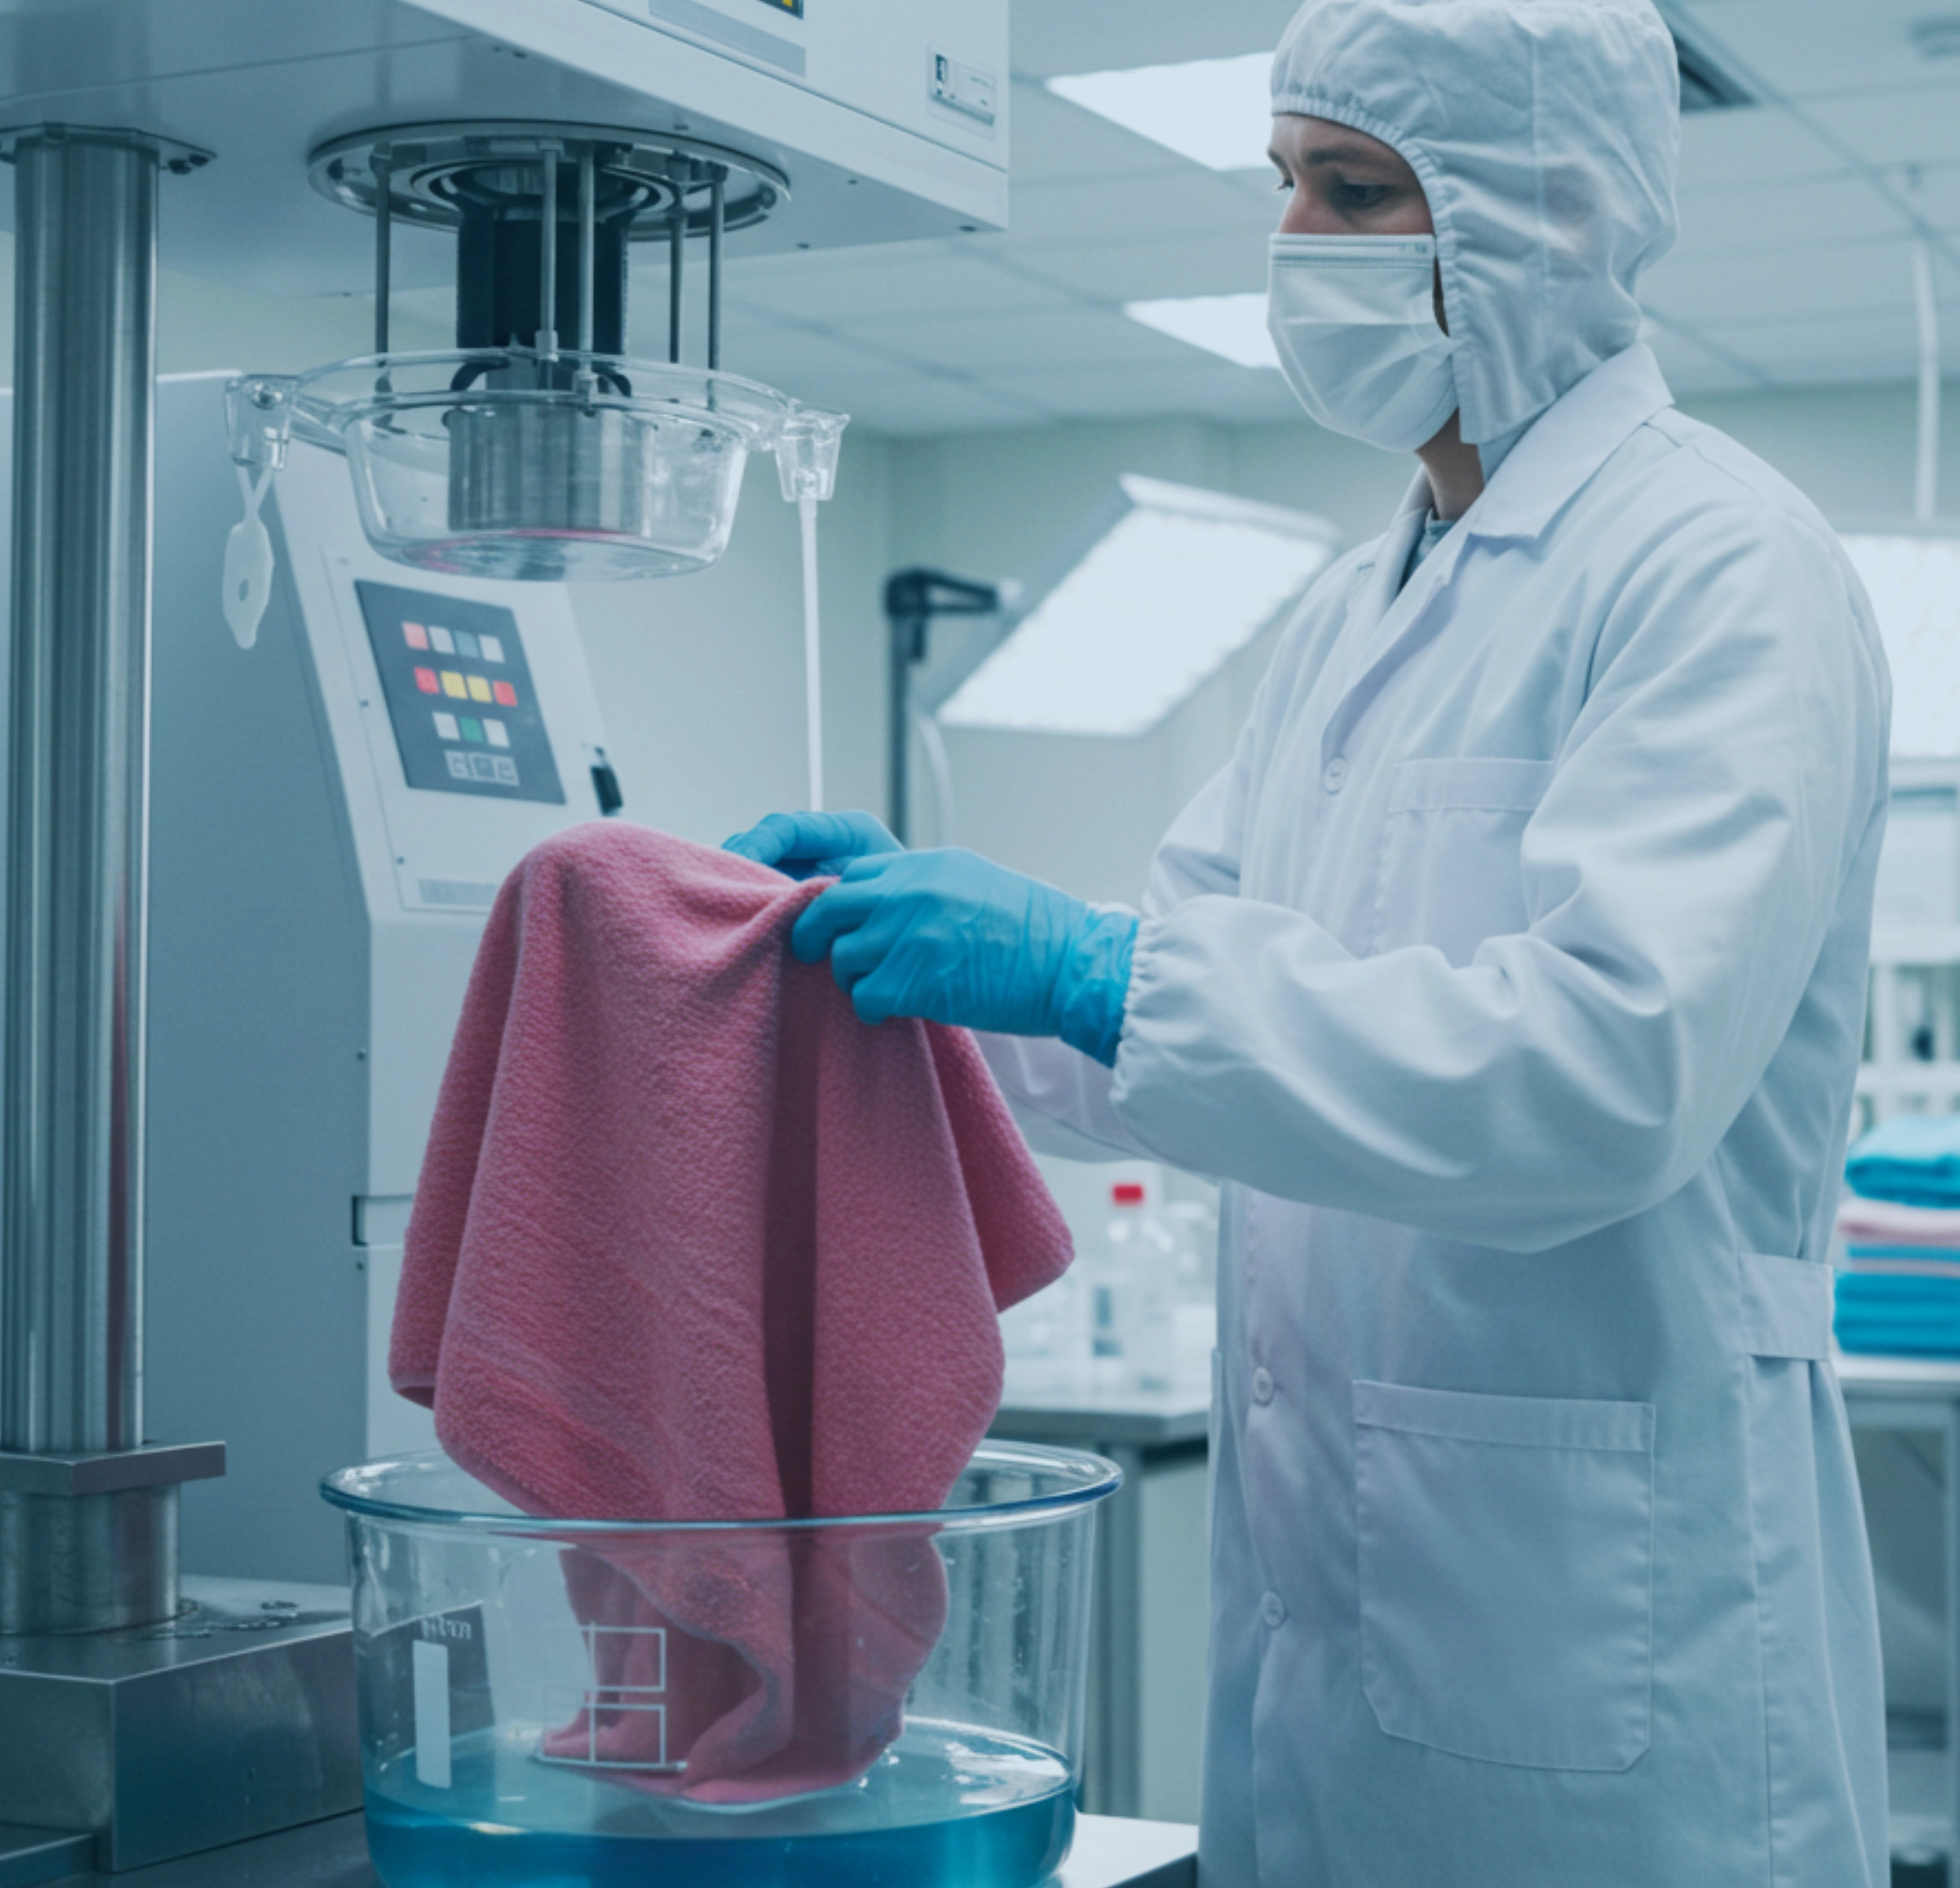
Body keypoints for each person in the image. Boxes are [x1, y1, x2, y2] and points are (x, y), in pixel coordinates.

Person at [727, 0, 1891, 1879]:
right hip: (1346, 1617)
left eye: (1358, 192)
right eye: (1285, 189)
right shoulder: (1350, 615)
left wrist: (1088, 971)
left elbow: (1604, 1073)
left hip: (1606, 1647)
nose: (1300, 251)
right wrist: (895, 966)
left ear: (1559, 216)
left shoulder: (1720, 568)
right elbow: (1186, 984)